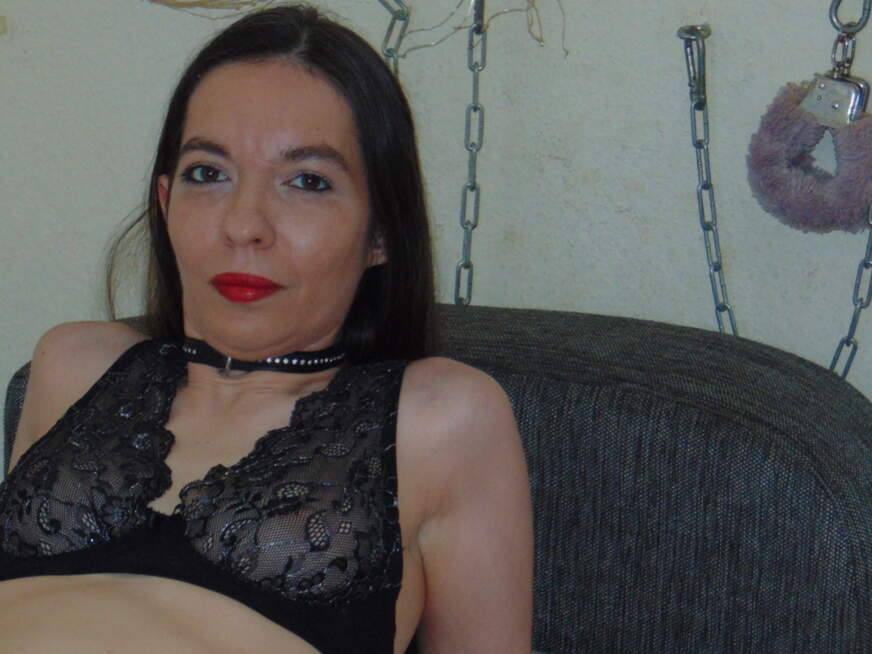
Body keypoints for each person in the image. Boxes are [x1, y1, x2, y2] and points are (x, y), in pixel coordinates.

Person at [0, 5, 533, 654]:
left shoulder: (440, 417)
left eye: (307, 181)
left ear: (382, 232)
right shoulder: (74, 363)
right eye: (208, 174)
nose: (244, 224)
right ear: (166, 203)